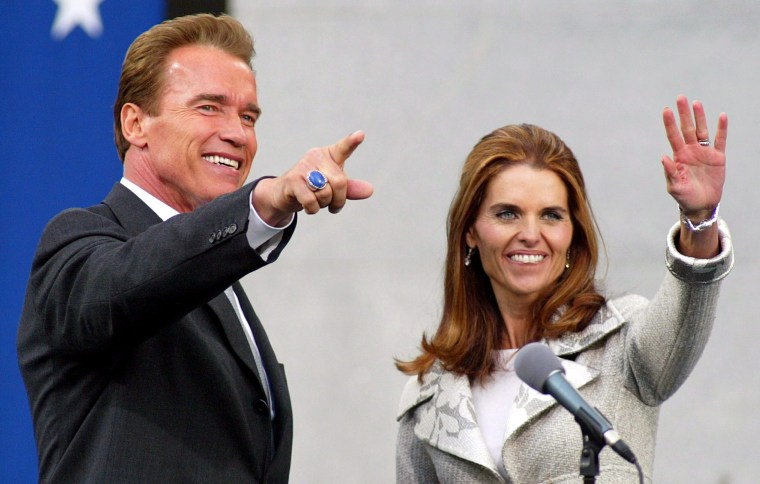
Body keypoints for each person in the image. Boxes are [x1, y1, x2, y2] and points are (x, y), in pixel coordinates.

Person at [17, 14, 372, 483]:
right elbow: (126, 287)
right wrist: (261, 203)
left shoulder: (217, 277)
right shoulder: (78, 241)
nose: (238, 134)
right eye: (209, 108)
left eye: (248, 116)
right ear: (136, 123)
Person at [395, 96, 733, 483]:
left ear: (572, 235)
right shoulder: (430, 394)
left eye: (551, 216)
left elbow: (688, 306)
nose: (529, 235)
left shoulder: (620, 344)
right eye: (507, 213)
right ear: (470, 231)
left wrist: (699, 221)